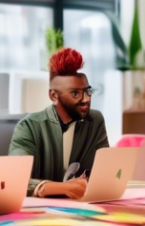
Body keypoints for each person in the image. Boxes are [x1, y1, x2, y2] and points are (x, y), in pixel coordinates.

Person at [9, 47, 108, 199]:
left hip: (81, 208)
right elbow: (14, 180)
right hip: (39, 213)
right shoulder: (28, 126)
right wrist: (61, 188)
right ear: (54, 96)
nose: (86, 99)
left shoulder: (95, 121)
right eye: (75, 93)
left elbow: (104, 171)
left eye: (88, 91)